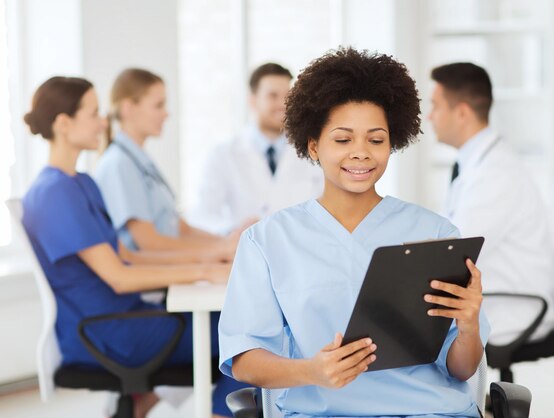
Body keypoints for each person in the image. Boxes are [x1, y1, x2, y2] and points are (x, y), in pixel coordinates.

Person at [219, 48, 490, 417]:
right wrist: (311, 371)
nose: (361, 153)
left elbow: (462, 368)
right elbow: (245, 360)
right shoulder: (268, 241)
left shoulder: (436, 233)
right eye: (343, 140)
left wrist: (470, 325)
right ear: (313, 145)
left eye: (376, 140)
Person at [21, 76, 244, 418]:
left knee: (242, 326)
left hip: (130, 318)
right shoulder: (54, 192)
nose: (103, 121)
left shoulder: (81, 182)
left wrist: (210, 262)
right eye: (94, 113)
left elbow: (127, 255)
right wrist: (204, 270)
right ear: (63, 124)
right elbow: (119, 277)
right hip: (111, 333)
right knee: (250, 334)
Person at [428, 62, 554, 345]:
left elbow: (455, 251)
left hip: (510, 307)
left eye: (435, 106)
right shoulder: (478, 163)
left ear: (461, 113)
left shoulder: (495, 173)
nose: (429, 116)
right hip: (494, 296)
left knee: (411, 332)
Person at [94, 68, 243, 256]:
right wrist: (220, 249)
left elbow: (181, 229)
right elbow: (148, 242)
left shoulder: (140, 162)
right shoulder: (119, 164)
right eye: (158, 105)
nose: (166, 114)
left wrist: (231, 242)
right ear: (128, 108)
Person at [188, 63, 324, 234]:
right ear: (252, 101)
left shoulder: (313, 151)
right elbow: (202, 214)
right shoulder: (224, 154)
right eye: (272, 96)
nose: (283, 104)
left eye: (288, 96)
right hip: (247, 251)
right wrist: (234, 230)